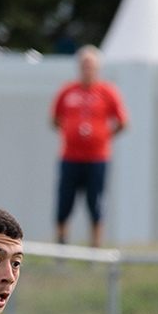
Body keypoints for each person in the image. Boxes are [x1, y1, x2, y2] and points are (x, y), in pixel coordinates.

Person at [51, 45, 128, 247]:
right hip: (70, 157)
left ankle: (95, 248)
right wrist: (71, 132)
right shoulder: (67, 91)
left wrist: (102, 136)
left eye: (91, 65)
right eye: (84, 64)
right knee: (64, 203)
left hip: (97, 158)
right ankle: (61, 246)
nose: (87, 69)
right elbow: (54, 119)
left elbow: (122, 122)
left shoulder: (107, 92)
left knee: (96, 204)